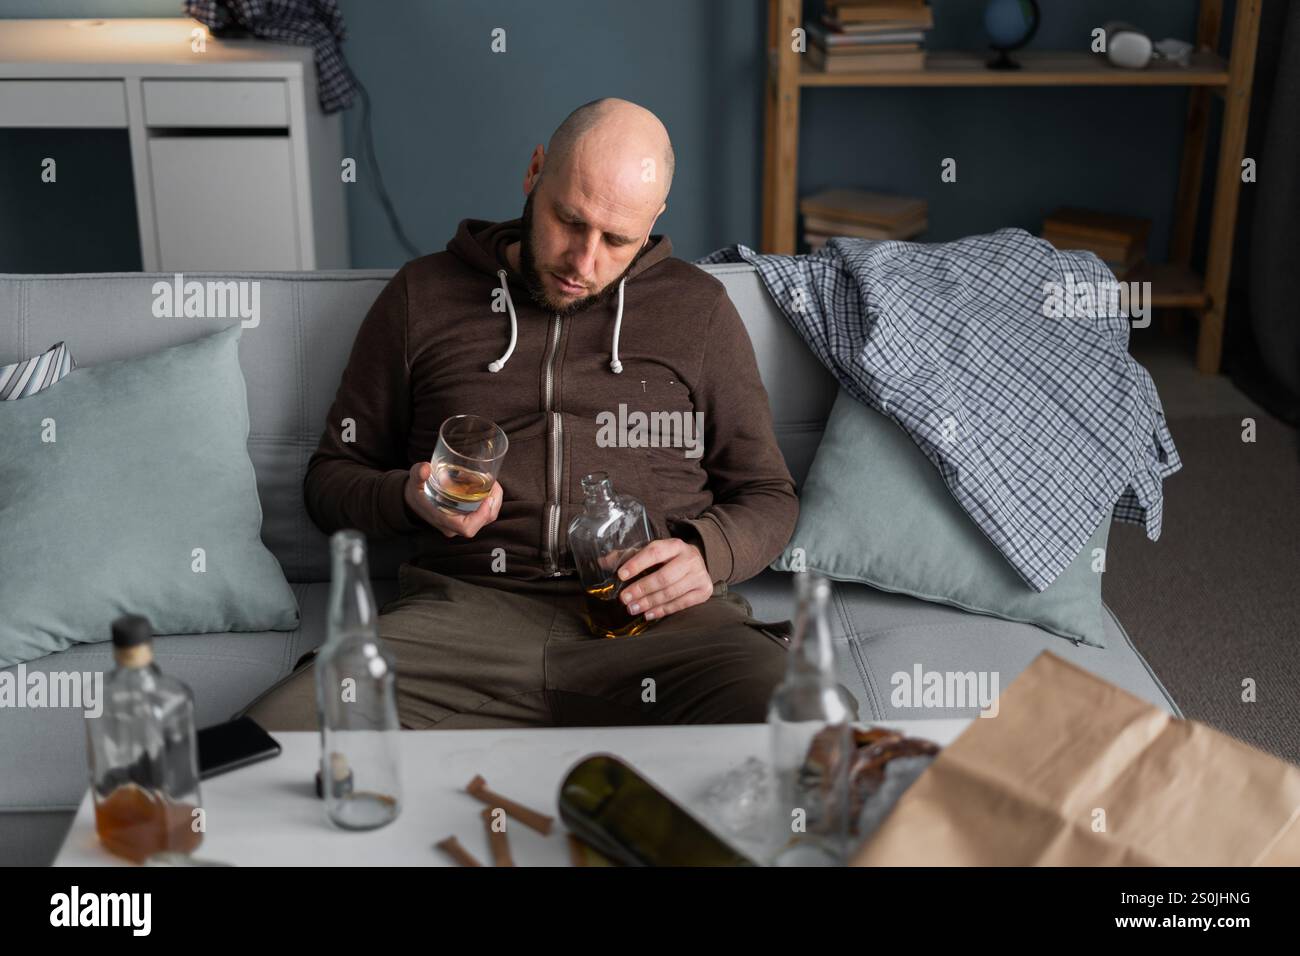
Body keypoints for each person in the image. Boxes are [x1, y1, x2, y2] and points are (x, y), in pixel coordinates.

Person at [240, 97, 798, 731]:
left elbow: (768, 494)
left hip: (659, 626)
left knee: (814, 738)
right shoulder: (421, 296)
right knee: (269, 740)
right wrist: (407, 497)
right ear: (535, 171)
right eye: (569, 220)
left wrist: (707, 553)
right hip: (463, 620)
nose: (583, 264)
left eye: (617, 240)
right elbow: (330, 481)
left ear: (653, 221)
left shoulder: (698, 311)